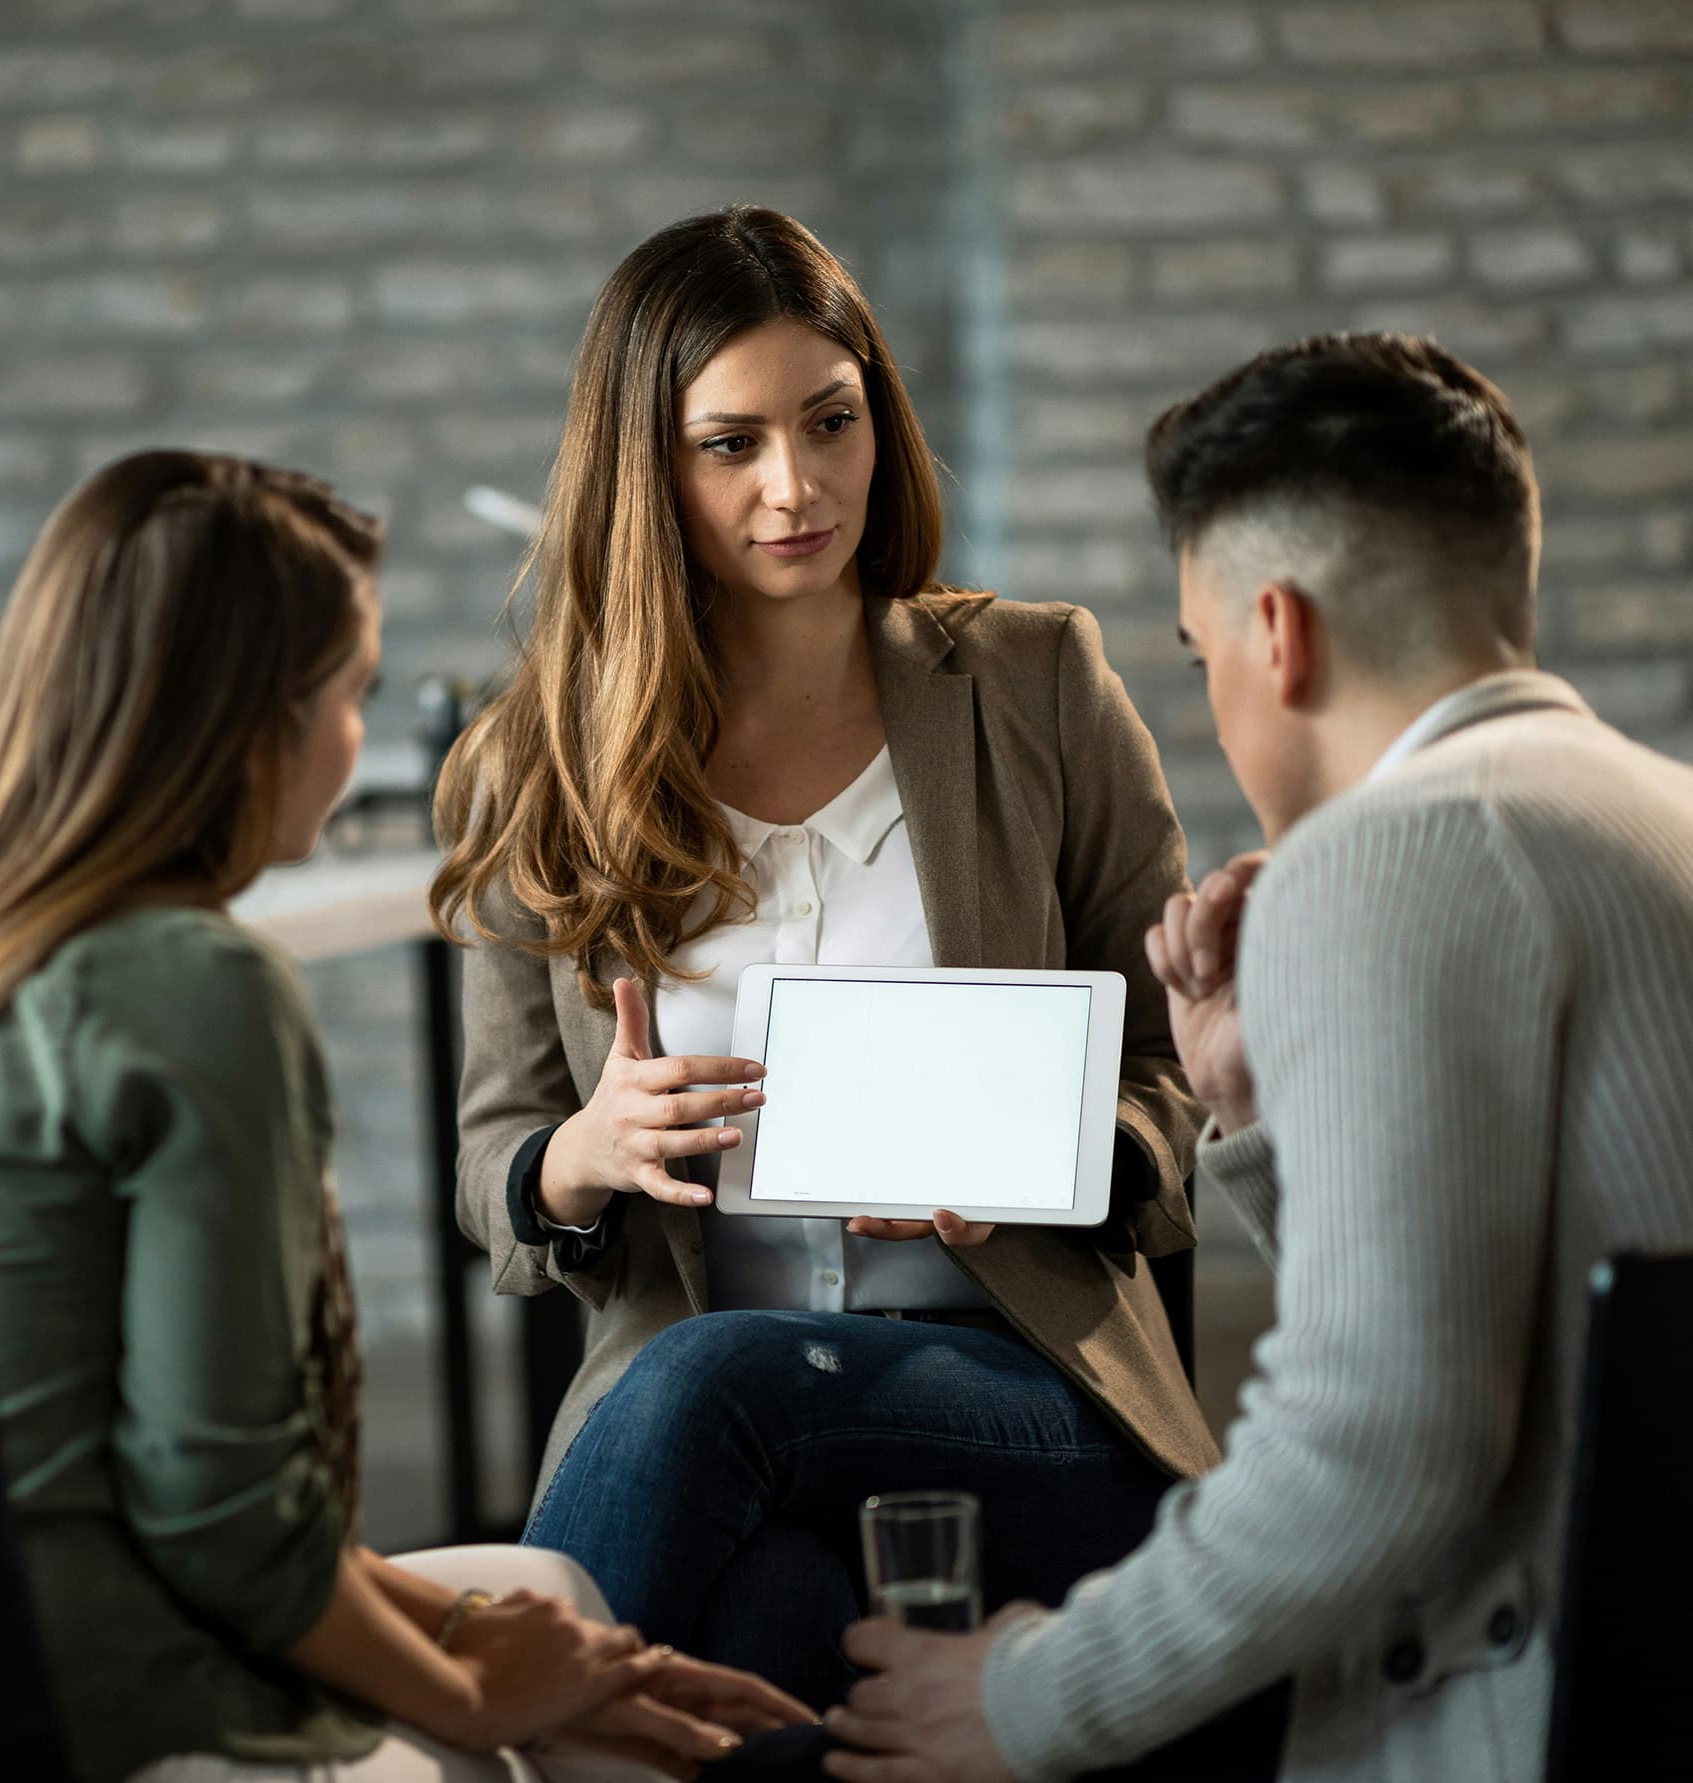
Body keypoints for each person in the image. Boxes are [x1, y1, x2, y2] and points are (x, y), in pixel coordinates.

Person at [820, 332, 1693, 1782]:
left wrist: (1026, 1700)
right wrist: (1253, 1105)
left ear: (1276, 633)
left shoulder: (1388, 854)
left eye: (1200, 649)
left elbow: (1380, 1446)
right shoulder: (1649, 813)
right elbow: (1501, 1312)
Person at [0, 450, 810, 1783]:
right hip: (101, 1708)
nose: (357, 737)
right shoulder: (194, 985)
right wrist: (475, 1694)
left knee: (553, 1589)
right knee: (593, 1730)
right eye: (353, 694)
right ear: (252, 720)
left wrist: (510, 1645)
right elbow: (222, 1520)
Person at [431, 204, 1215, 1711]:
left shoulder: (1035, 683)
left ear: (880, 423)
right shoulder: (531, 763)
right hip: (703, 1400)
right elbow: (493, 1167)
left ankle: (473, 1737)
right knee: (773, 1607)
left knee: (715, 1388)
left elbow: (1180, 1066)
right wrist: (581, 1159)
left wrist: (1061, 1159)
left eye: (831, 423)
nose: (797, 486)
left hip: (1019, 1385)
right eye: (730, 444)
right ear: (644, 468)